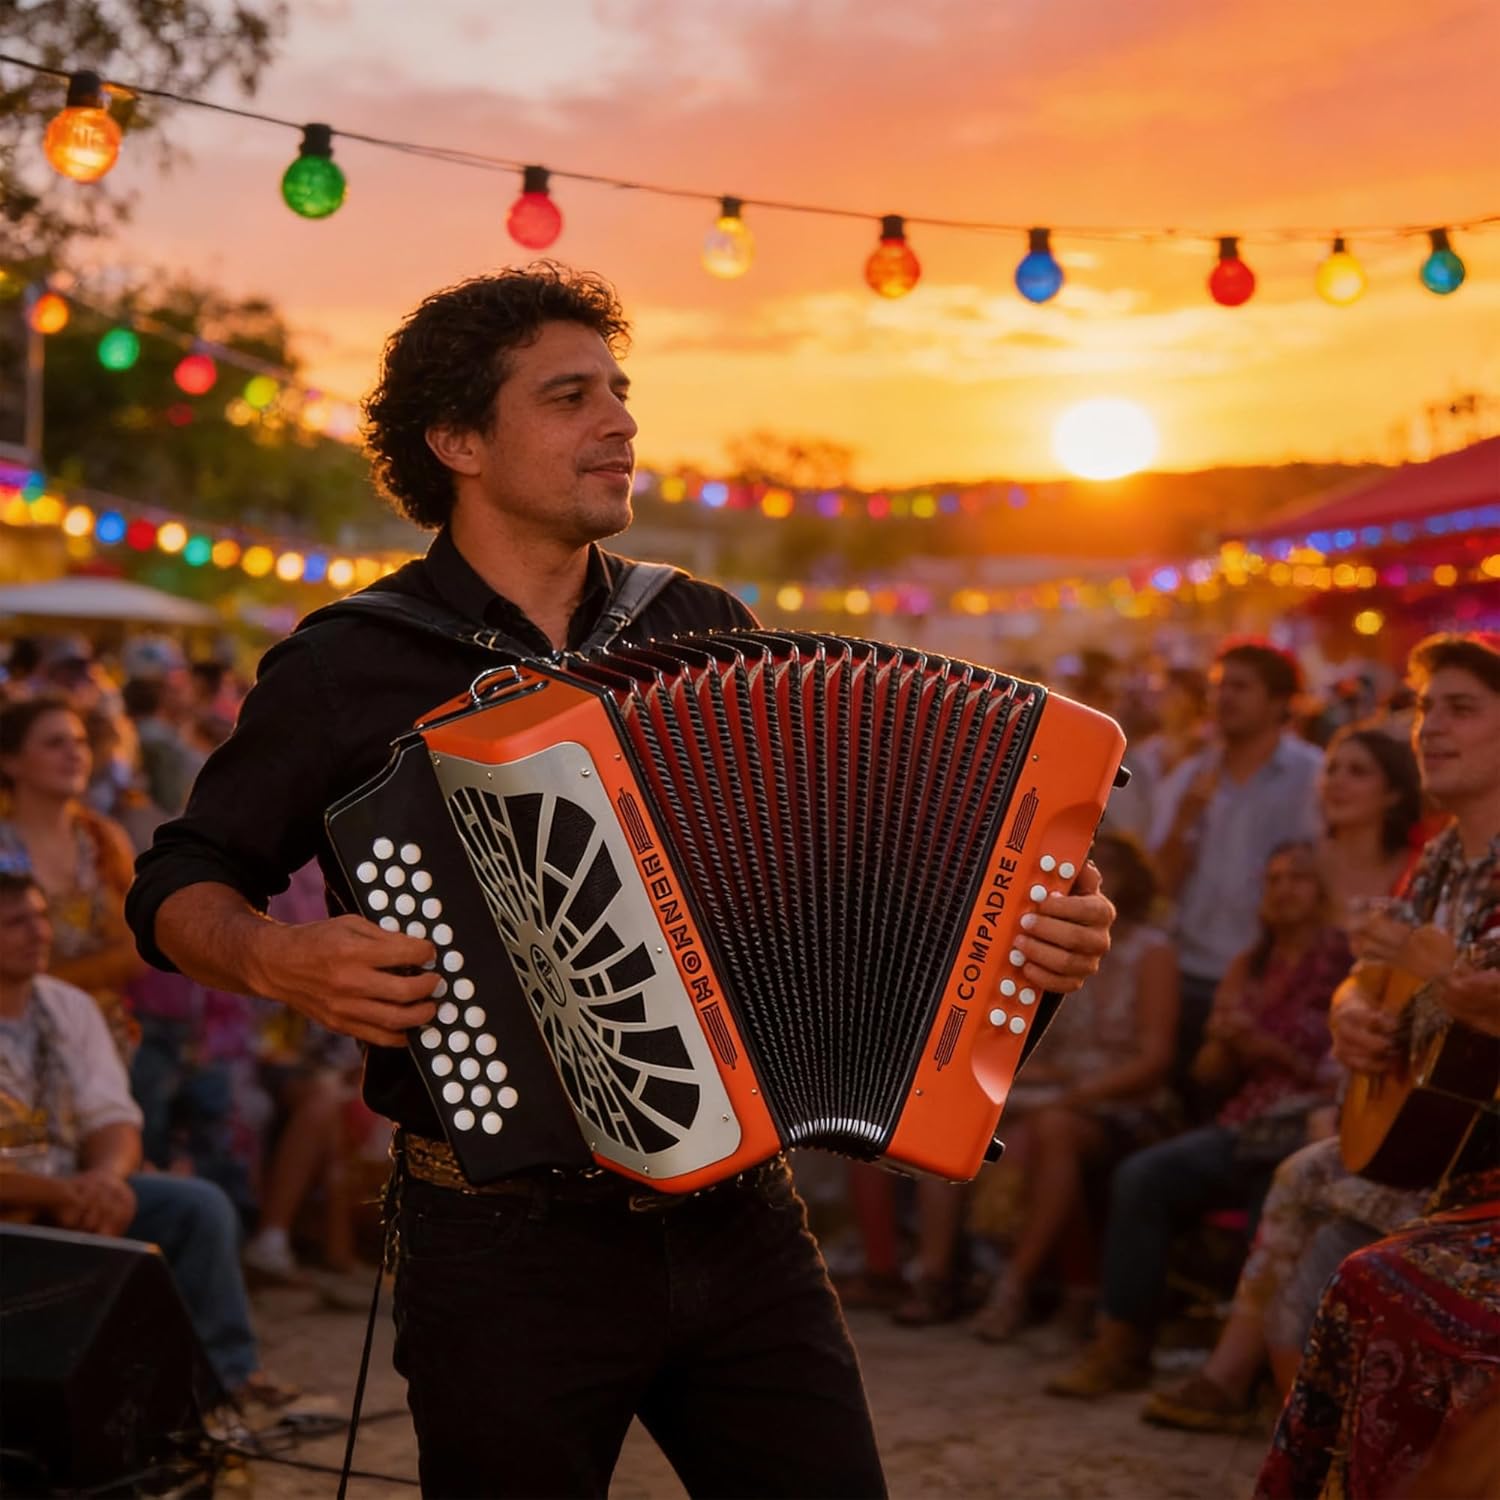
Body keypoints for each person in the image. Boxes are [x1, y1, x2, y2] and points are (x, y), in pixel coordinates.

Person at [125, 265, 1118, 1499]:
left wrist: (1026, 931)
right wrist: (275, 956)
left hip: (742, 1219)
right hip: (501, 1244)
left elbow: (834, 882)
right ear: (457, 442)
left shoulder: (699, 623)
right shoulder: (347, 666)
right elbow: (179, 878)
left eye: (621, 390)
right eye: (569, 395)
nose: (620, 421)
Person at [1146, 632, 1500, 1435]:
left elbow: (1462, 990)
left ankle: (1278, 1421)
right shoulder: (1444, 854)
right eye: (1424, 710)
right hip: (1435, 1140)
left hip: (1482, 1167)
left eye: (1462, 710)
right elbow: (1370, 975)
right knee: (1309, 1214)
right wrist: (1350, 1013)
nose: (1431, 728)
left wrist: (1441, 977)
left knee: (1310, 1201)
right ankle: (1303, 1445)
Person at [1046, 841, 1350, 1399]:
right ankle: (1121, 1343)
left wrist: (1265, 1047)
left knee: (1275, 1193)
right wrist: (1223, 1044)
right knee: (1143, 1176)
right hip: (1241, 1126)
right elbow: (1209, 1077)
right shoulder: (1248, 964)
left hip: (1308, 1127)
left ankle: (1250, 1373)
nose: (1284, 890)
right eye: (1274, 879)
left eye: (1298, 879)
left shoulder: (1341, 966)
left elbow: (1337, 1071)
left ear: (1324, 892)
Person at [0, 863, 282, 1406]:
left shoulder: (68, 1006)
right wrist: (61, 1194)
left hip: (73, 1188)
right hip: (24, 1204)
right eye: (15, 922)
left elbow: (113, 1117)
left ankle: (223, 1382)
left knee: (198, 1207)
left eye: (40, 918)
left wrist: (105, 1179)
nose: (38, 933)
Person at [970, 833, 1179, 1342]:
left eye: (1110, 865)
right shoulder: (1051, 936)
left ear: (1134, 875)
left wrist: (1076, 1094)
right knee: (974, 1113)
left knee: (1051, 1130)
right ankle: (938, 1272)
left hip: (1127, 1101)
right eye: (1089, 864)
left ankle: (1017, 1285)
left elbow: (1154, 1059)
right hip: (1060, 1088)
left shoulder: (1152, 952)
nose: (1098, 875)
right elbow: (1041, 1043)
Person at [1150, 642, 1323, 1081]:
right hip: (1191, 972)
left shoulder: (1313, 776)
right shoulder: (1190, 778)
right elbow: (1158, 887)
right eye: (1217, 687)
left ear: (1279, 702)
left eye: (1240, 687)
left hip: (1272, 980)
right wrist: (1183, 825)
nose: (1223, 698)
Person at [0, 697, 144, 1059]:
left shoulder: (105, 841)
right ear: (11, 761)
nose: (74, 753)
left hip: (103, 1046)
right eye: (55, 743)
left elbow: (138, 950)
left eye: (80, 742)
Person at [1314, 725, 1423, 929]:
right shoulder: (1300, 866)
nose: (1337, 782)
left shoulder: (1419, 873)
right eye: (1331, 770)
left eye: (1358, 772)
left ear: (1393, 793)